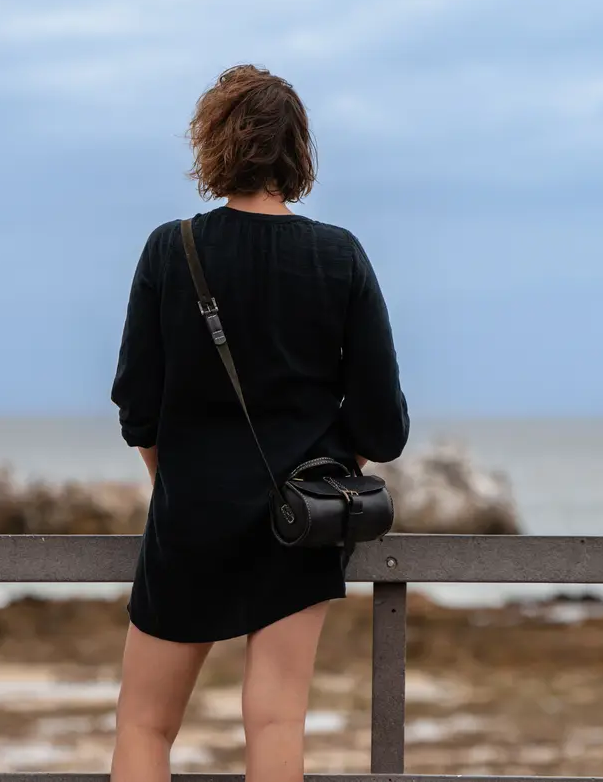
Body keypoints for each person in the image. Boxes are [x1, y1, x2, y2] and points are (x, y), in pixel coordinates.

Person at [108, 64, 410, 782]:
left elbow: (136, 406)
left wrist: (176, 483)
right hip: (298, 522)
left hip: (189, 518)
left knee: (145, 724)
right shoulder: (340, 255)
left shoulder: (169, 248)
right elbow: (384, 429)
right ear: (298, 154)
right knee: (276, 718)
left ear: (213, 145)